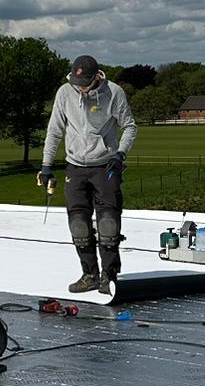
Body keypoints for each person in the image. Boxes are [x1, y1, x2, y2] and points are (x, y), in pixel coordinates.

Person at [37, 55, 136, 294]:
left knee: (108, 224)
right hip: (75, 165)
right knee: (79, 225)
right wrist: (46, 165)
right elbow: (54, 130)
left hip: (105, 166)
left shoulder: (113, 93)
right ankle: (89, 274)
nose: (79, 87)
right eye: (75, 82)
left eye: (84, 83)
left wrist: (120, 154)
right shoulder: (64, 92)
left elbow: (130, 126)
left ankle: (108, 276)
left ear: (95, 77)